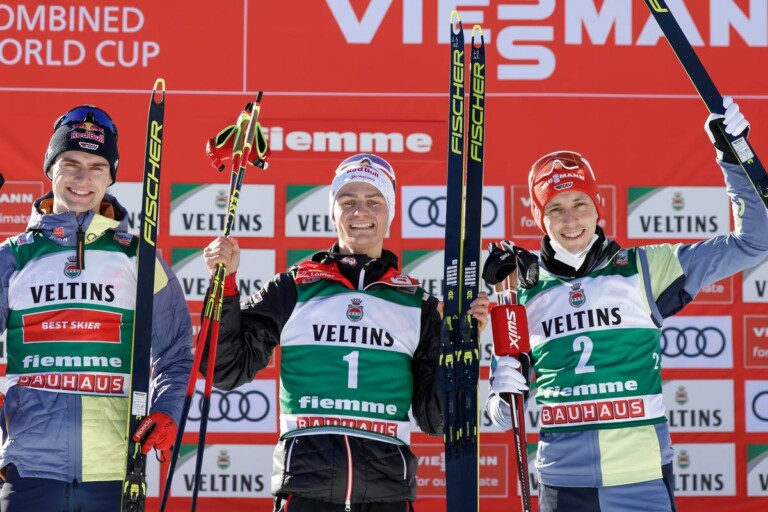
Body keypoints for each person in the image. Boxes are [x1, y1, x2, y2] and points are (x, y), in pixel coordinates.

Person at [484, 97, 768, 512]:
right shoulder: (521, 293)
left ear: (597, 206)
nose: (570, 220)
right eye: (555, 209)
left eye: (580, 204)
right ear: (538, 217)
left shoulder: (646, 268)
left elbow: (755, 242)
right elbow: (502, 415)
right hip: (564, 486)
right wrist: (502, 394)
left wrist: (735, 154)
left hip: (642, 481)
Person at [201, 153, 491, 511]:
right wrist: (225, 285)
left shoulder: (419, 305)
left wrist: (459, 345)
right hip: (306, 492)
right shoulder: (292, 288)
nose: (360, 212)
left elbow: (437, 420)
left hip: (387, 495)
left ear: (390, 212)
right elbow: (223, 369)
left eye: (374, 201)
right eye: (348, 200)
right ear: (332, 211)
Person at [0, 105, 193, 511]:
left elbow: (175, 352)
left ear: (111, 176)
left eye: (96, 167)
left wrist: (166, 409)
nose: (82, 179)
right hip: (28, 466)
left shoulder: (139, 258)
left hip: (115, 470)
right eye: (70, 164)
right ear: (51, 169)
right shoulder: (13, 257)